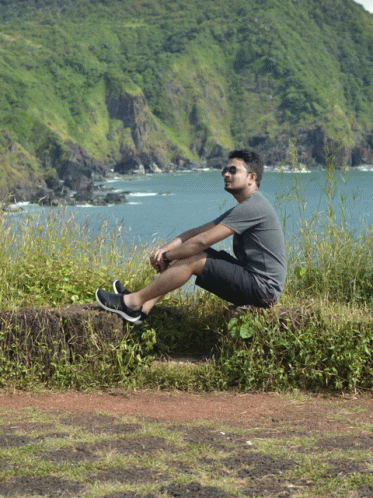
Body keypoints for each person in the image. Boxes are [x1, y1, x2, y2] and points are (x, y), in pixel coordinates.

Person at [95, 149, 287, 324]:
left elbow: (202, 241)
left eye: (233, 170)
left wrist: (167, 256)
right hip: (253, 279)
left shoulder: (252, 208)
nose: (226, 174)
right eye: (225, 170)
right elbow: (195, 233)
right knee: (189, 251)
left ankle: (132, 302)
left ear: (251, 177)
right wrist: (165, 250)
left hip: (263, 290)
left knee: (195, 258)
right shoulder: (246, 207)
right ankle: (143, 307)